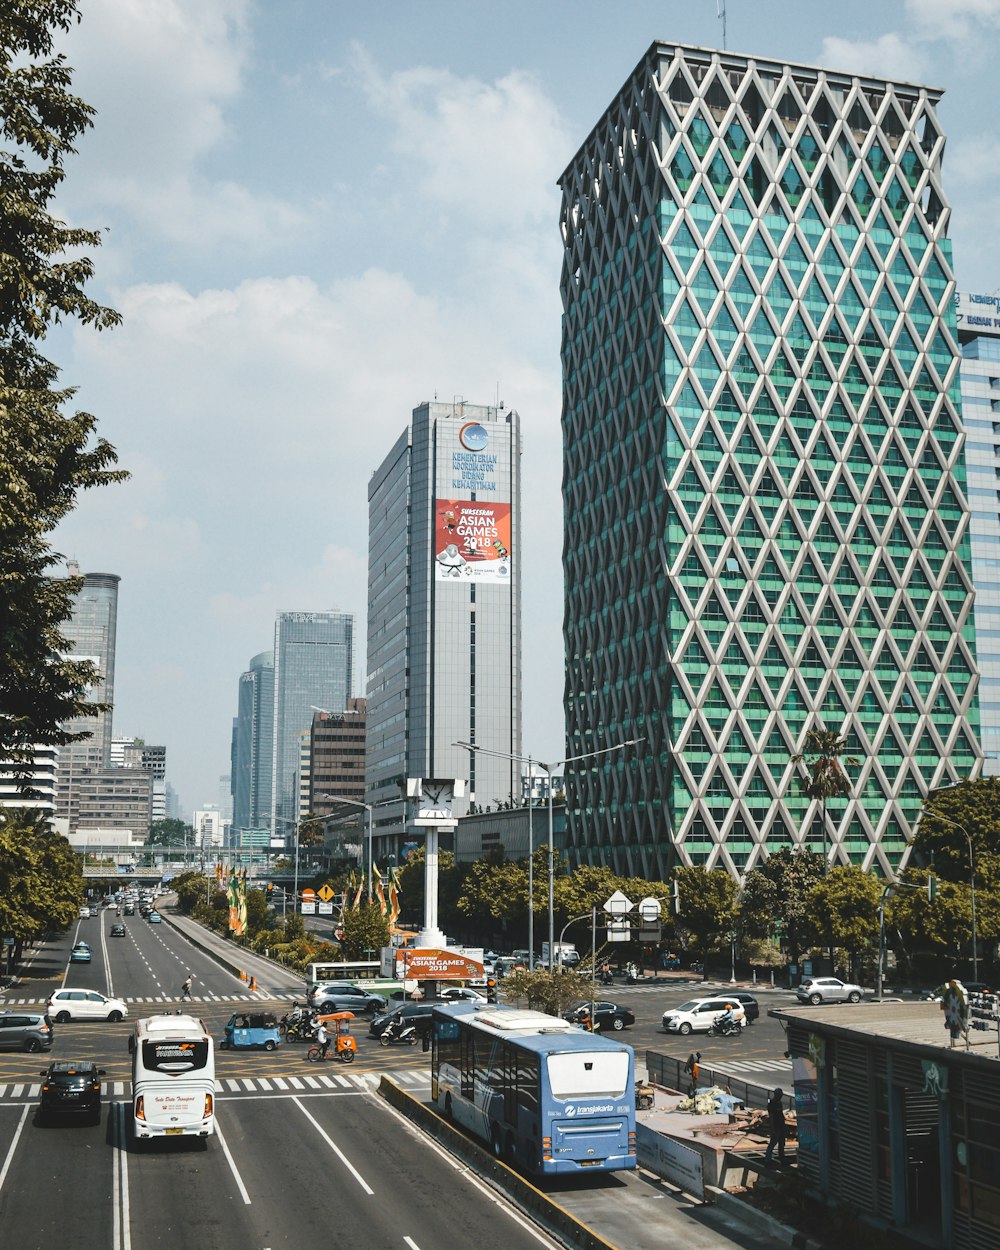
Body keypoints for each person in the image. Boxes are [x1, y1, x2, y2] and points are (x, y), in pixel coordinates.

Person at [765, 1088, 787, 1165]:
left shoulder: (779, 1103)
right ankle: (768, 1160)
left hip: (781, 1125)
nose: (780, 1096)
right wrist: (772, 1129)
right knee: (773, 1143)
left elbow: (781, 1114)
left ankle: (782, 1159)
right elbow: (771, 1117)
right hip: (776, 1126)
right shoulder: (772, 1104)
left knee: (781, 1143)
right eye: (779, 1095)